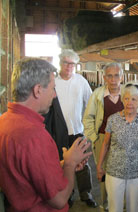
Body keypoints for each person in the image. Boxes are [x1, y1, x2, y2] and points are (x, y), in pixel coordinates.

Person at [0, 58, 92, 211]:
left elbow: (29, 171)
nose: (55, 95)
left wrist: (64, 164)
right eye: (52, 88)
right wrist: (69, 164)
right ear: (37, 90)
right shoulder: (34, 135)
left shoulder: (4, 121)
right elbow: (60, 199)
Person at [96, 81, 138, 212]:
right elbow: (105, 144)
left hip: (137, 173)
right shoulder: (112, 119)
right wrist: (99, 166)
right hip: (114, 171)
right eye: (126, 98)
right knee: (114, 208)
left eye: (134, 99)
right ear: (122, 100)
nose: (129, 102)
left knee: (134, 208)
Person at [55, 49, 97, 208]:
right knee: (64, 163)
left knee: (83, 163)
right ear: (60, 63)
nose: (69, 66)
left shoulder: (81, 81)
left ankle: (86, 194)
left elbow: (90, 103)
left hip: (78, 130)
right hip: (59, 132)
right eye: (66, 63)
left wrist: (89, 127)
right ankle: (68, 194)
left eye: (72, 64)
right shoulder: (54, 82)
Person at [83, 62, 124, 211]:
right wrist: (94, 138)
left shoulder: (129, 93)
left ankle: (122, 204)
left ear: (122, 76)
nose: (113, 80)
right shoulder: (98, 94)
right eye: (110, 76)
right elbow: (88, 118)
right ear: (104, 77)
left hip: (124, 140)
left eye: (116, 75)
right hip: (102, 138)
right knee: (103, 171)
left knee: (123, 170)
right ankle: (106, 204)